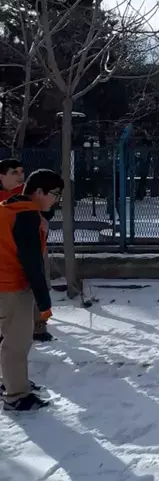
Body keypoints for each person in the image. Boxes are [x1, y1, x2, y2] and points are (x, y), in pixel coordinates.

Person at [0, 169, 63, 411]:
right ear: (39, 192)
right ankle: (16, 396)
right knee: (16, 344)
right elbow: (32, 262)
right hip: (13, 288)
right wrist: (44, 303)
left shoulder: (7, 208)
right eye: (54, 194)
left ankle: (10, 382)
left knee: (6, 340)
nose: (56, 199)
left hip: (4, 284)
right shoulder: (27, 217)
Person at [0, 159, 54, 343]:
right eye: (14, 172)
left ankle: (39, 325)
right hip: (6, 251)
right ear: (2, 175)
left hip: (30, 243)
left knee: (37, 277)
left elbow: (46, 210)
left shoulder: (26, 192)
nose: (20, 175)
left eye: (22, 171)